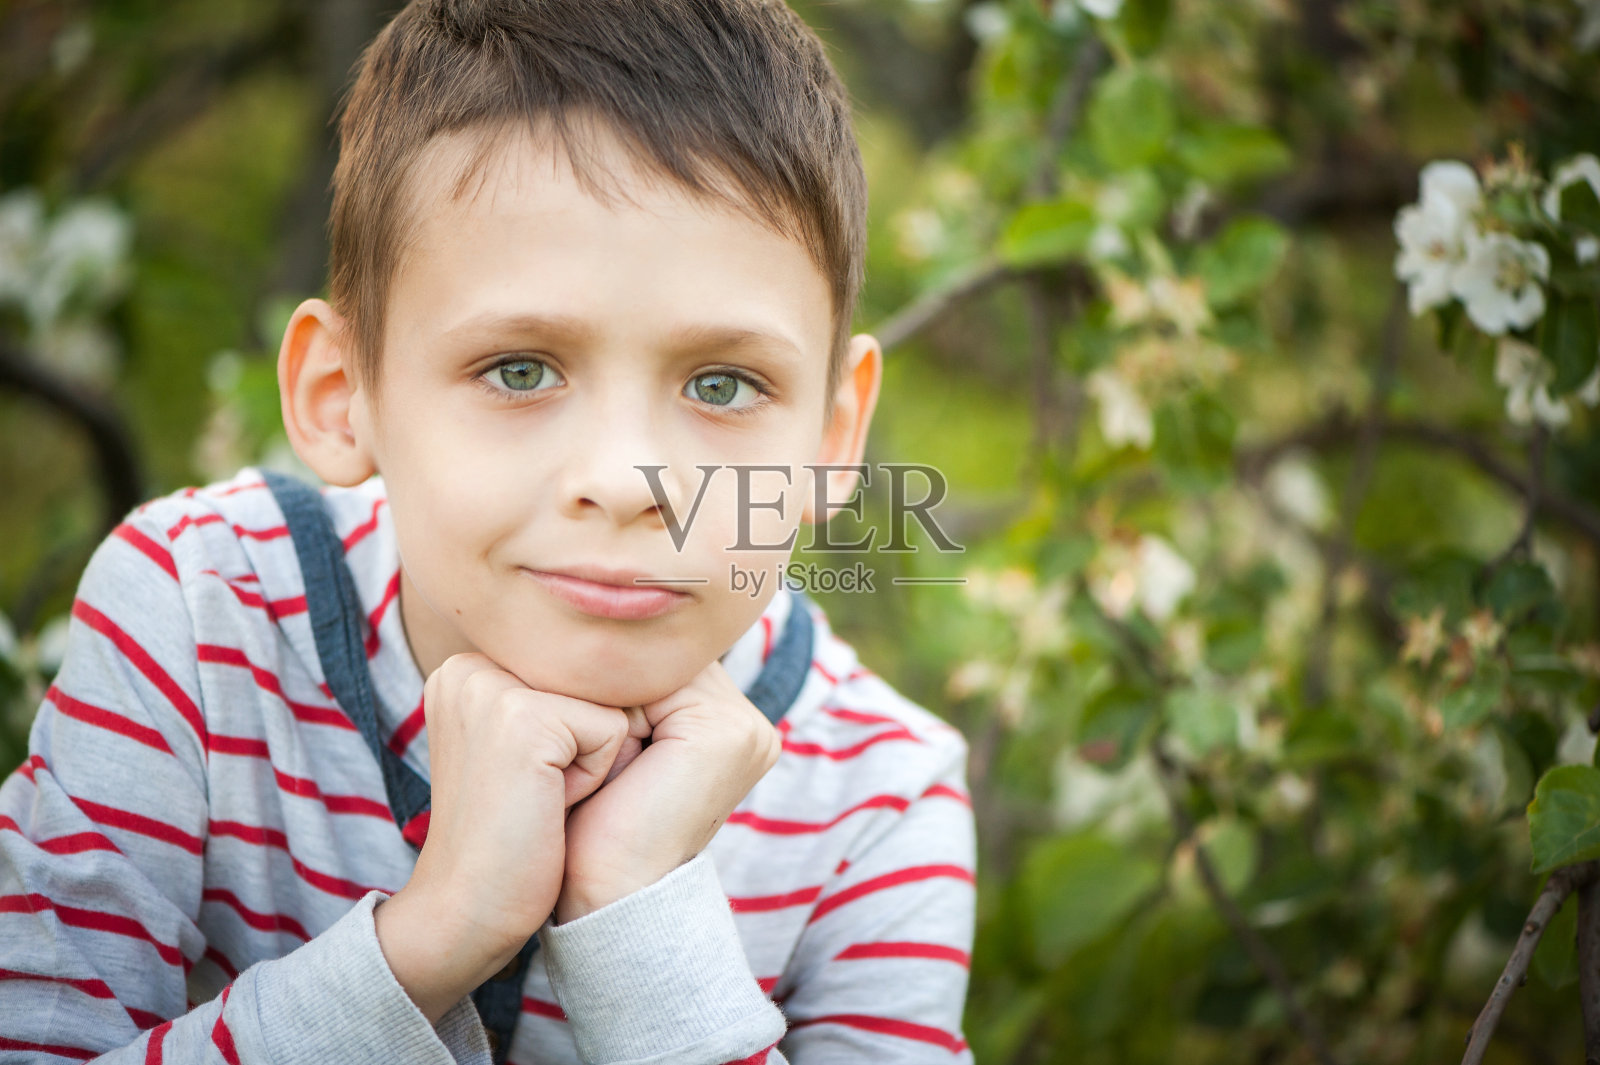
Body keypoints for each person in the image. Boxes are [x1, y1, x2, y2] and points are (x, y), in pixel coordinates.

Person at [0, 1, 976, 1061]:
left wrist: (638, 914)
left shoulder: (878, 800)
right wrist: (434, 935)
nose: (621, 481)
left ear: (833, 438)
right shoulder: (197, 619)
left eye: (723, 383)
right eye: (519, 370)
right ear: (342, 393)